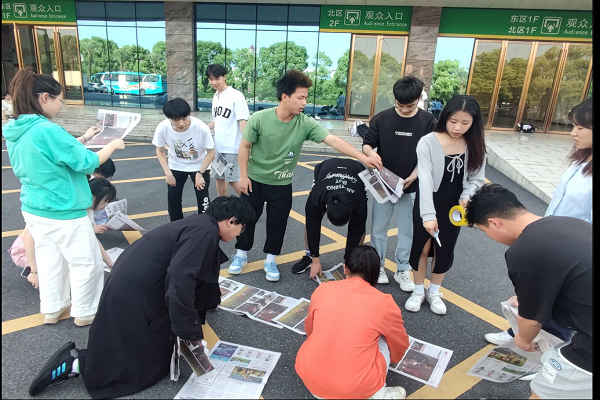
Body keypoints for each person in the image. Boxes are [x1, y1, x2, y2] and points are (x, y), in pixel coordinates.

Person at [28, 196, 256, 398]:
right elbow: (181, 278)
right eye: (241, 228)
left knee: (146, 343)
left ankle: (83, 360)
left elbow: (193, 273)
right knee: (135, 364)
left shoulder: (201, 224)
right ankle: (75, 362)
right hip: (136, 286)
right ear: (231, 221)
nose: (239, 234)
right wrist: (189, 330)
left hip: (135, 278)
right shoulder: (205, 232)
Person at [228, 69, 382, 282]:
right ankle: (241, 254)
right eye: (300, 97)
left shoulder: (304, 122)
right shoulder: (259, 119)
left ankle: (271, 259)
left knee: (277, 223)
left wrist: (362, 157)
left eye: (306, 98)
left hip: (282, 183)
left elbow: (333, 140)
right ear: (285, 96)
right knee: (246, 219)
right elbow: (244, 146)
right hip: (254, 180)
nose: (304, 103)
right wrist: (243, 176)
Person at [3, 68, 125, 326]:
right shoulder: (47, 129)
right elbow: (87, 162)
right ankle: (85, 312)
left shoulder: (16, 128)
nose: (61, 105)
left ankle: (53, 308)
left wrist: (86, 137)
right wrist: (113, 144)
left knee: (50, 261)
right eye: (60, 100)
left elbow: (55, 153)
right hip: (64, 208)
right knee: (85, 262)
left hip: (35, 207)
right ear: (44, 97)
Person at [484, 97, 592, 350]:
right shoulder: (582, 159)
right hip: (553, 238)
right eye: (573, 126)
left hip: (571, 250)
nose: (573, 133)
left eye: (581, 127)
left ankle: (545, 349)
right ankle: (520, 335)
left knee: (556, 304)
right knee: (536, 297)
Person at [465, 184, 592, 399]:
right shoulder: (568, 223)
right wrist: (527, 298)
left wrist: (523, 340)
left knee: (542, 393)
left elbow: (531, 322)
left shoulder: (525, 250)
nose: (489, 237)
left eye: (484, 231)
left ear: (495, 223)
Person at [405, 95, 486, 315]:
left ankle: (434, 291)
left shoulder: (475, 143)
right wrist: (428, 215)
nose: (458, 127)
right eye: (453, 121)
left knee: (444, 248)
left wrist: (467, 196)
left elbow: (477, 178)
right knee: (422, 247)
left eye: (465, 123)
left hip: (454, 206)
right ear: (445, 117)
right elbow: (425, 179)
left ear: (474, 123)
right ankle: (418, 290)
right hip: (428, 200)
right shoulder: (428, 142)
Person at [295, 245, 410, 399]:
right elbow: (399, 344)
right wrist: (390, 360)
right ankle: (379, 393)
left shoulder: (323, 289)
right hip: (354, 389)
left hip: (312, 382)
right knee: (385, 337)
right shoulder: (384, 302)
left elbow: (310, 329)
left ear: (345, 268)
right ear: (376, 272)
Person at [362, 76, 437, 287]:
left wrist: (415, 175)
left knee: (408, 230)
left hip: (412, 184)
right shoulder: (382, 119)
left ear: (419, 98)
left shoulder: (428, 121)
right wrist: (371, 154)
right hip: (383, 182)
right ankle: (378, 265)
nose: (404, 110)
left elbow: (430, 155)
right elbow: (367, 144)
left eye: (409, 106)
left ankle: (402, 269)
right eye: (399, 105)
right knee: (378, 228)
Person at [9, 178, 120, 290]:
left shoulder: (87, 211)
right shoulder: (65, 209)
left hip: (46, 245)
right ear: (93, 196)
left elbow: (92, 239)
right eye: (105, 201)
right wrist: (34, 272)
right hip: (23, 250)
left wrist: (110, 264)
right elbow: (29, 239)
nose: (106, 205)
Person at [291, 158, 368, 278]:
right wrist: (316, 260)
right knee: (312, 220)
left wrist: (349, 264)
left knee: (359, 227)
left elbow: (356, 231)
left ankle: (354, 261)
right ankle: (309, 256)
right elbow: (312, 226)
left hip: (357, 170)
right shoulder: (316, 197)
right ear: (326, 207)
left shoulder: (359, 201)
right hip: (325, 168)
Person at [153, 97, 216, 221]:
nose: (181, 123)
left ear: (189, 114)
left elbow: (211, 152)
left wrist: (200, 173)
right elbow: (159, 150)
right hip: (176, 165)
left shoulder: (201, 127)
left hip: (199, 165)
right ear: (169, 118)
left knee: (203, 198)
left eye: (184, 118)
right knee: (173, 199)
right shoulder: (162, 127)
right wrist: (168, 173)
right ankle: (176, 226)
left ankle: (204, 225)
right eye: (176, 120)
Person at [205, 64, 249, 197]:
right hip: (218, 147)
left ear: (225, 77)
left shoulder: (236, 96)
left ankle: (249, 205)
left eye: (217, 78)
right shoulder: (216, 96)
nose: (214, 82)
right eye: (211, 79)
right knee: (219, 178)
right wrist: (202, 129)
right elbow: (217, 120)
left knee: (233, 179)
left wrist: (246, 146)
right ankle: (222, 205)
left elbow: (243, 122)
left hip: (233, 147)